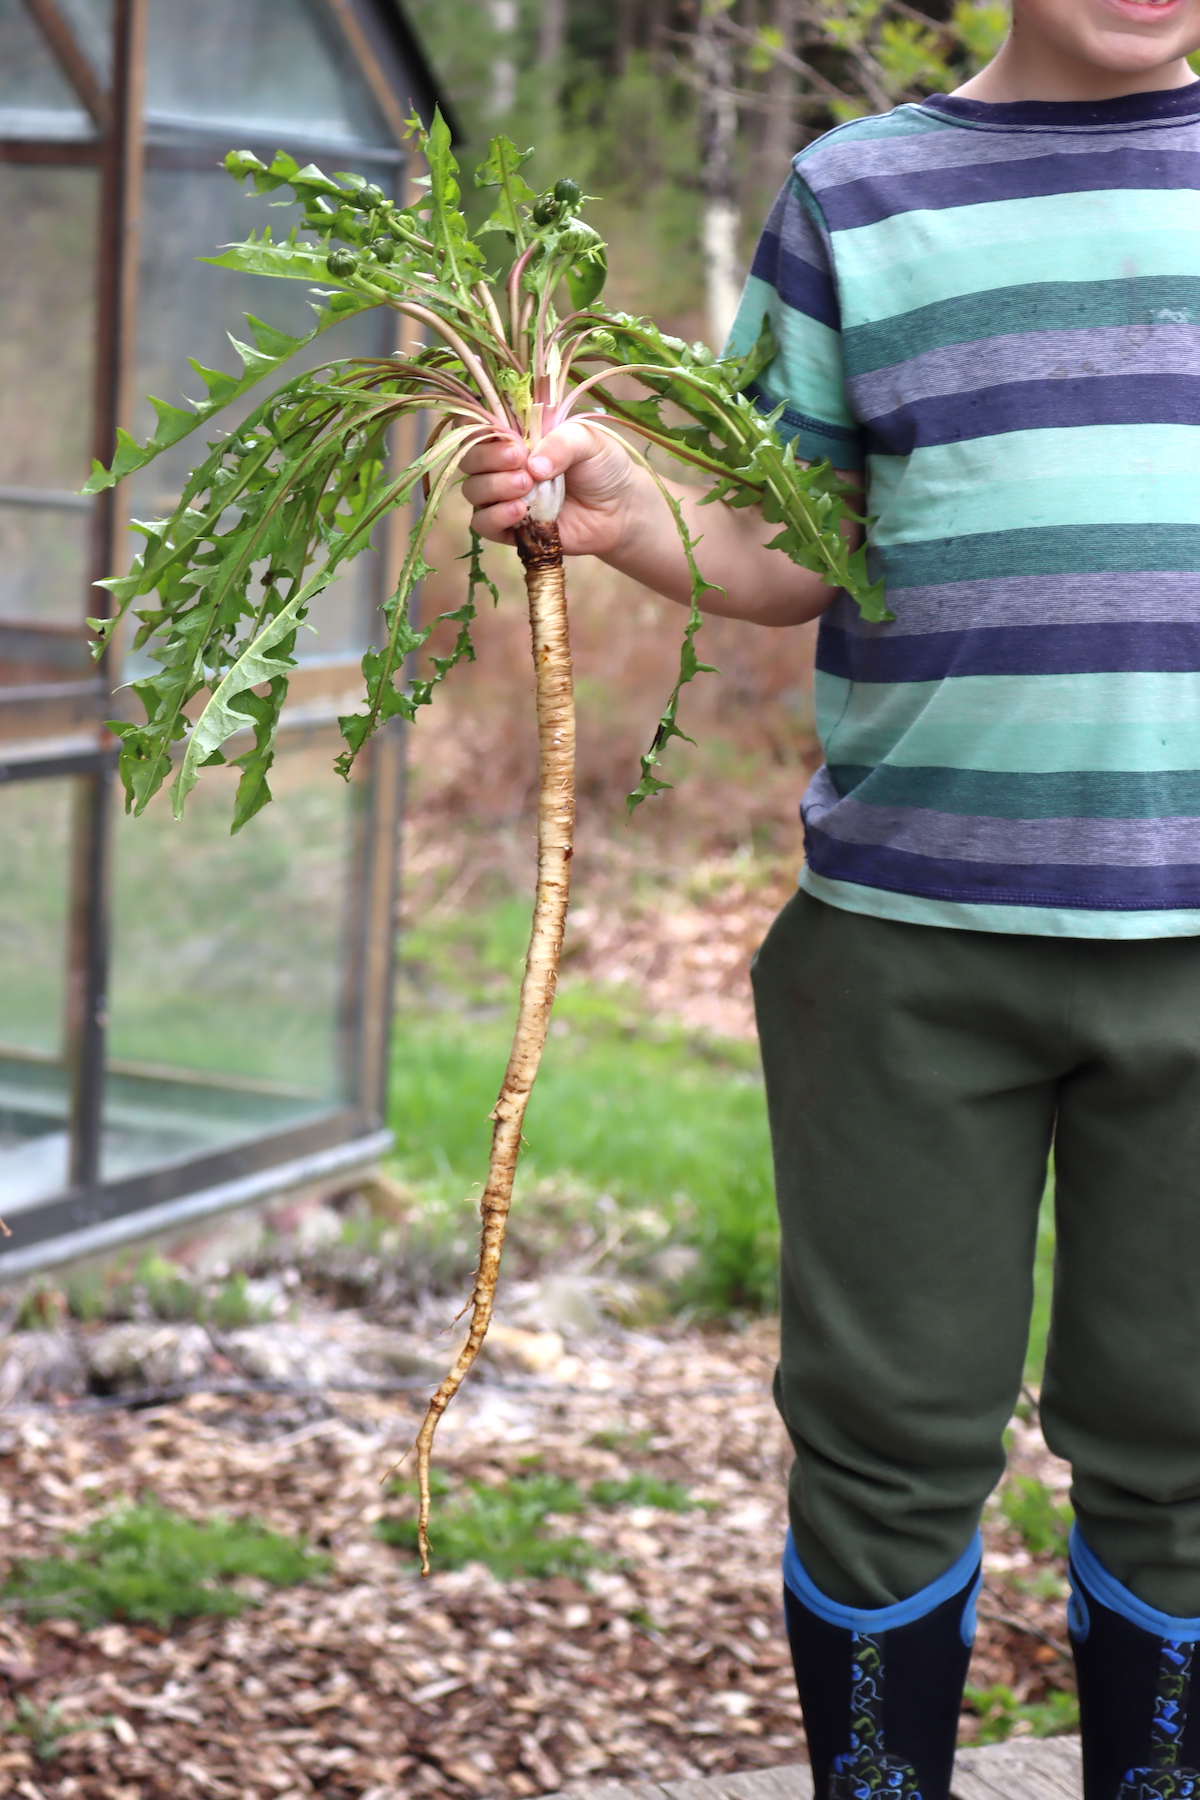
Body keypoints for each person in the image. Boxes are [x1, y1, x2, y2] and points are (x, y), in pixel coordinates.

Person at [463, 0, 1200, 1790]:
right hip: (906, 952)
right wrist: (622, 510)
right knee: (884, 1439)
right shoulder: (858, 195)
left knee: (1187, 1443)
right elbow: (792, 540)